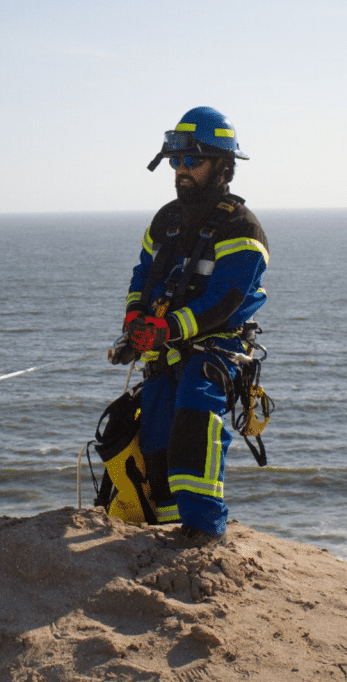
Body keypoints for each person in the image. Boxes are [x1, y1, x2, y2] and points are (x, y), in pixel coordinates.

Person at [115, 106, 269, 548]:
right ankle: (168, 528)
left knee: (195, 423)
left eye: (192, 161)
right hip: (165, 351)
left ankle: (204, 530)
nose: (180, 171)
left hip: (212, 351)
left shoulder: (242, 227)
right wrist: (134, 321)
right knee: (157, 436)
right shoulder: (166, 219)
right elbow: (143, 274)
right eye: (176, 162)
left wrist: (168, 329)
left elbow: (226, 299)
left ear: (223, 167)